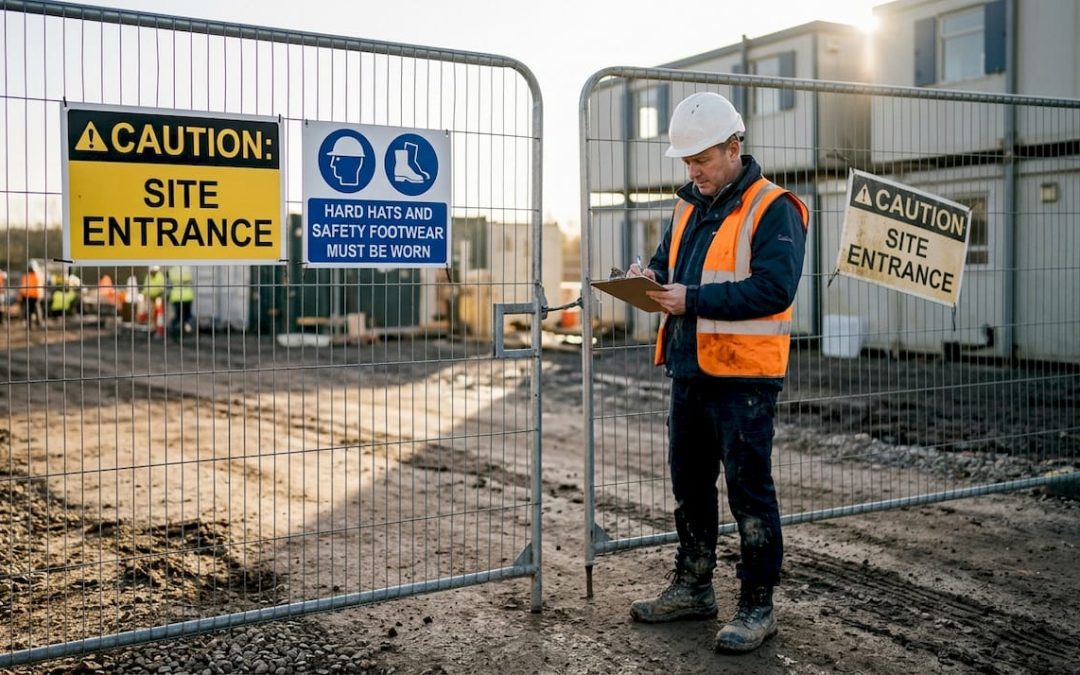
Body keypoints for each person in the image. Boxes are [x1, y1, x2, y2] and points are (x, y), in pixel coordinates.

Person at [626, 92, 808, 654]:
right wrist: (645, 278)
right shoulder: (686, 206)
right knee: (690, 487)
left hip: (744, 381)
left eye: (701, 159)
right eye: (686, 161)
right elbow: (665, 267)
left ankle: (758, 604)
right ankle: (693, 587)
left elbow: (773, 289)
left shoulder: (774, 207)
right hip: (689, 370)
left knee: (749, 493)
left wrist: (692, 299)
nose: (693, 170)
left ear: (734, 147)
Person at [167, 265, 194, 335]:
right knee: (187, 316)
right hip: (187, 296)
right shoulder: (187, 268)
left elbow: (169, 281)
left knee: (178, 316)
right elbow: (189, 279)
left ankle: (173, 330)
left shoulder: (172, 270)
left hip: (176, 297)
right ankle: (187, 330)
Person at [18, 263, 45, 329]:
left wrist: (21, 294)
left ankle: (31, 324)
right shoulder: (39, 275)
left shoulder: (26, 276)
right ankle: (38, 323)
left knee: (30, 310)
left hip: (29, 295)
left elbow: (23, 286)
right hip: (34, 295)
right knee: (36, 309)